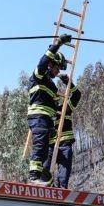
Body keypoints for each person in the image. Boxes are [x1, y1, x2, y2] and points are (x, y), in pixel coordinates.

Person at [27, 34, 72, 186]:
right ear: (50, 65)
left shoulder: (52, 86)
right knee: (39, 146)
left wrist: (52, 127)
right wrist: (58, 43)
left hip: (46, 121)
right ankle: (34, 177)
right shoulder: (38, 76)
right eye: (57, 67)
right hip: (38, 117)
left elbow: (53, 107)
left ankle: (44, 177)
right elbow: (43, 60)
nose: (57, 71)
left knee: (45, 152)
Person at [46, 74, 82, 188]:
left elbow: (76, 95)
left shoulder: (65, 108)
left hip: (65, 146)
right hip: (50, 147)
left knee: (63, 180)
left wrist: (68, 82)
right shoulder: (46, 112)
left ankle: (61, 194)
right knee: (44, 173)